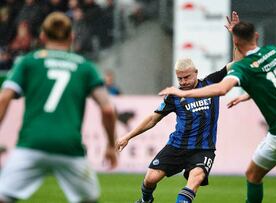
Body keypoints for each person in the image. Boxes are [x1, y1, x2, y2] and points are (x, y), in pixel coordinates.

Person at [159, 11, 276, 203]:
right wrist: (248, 95)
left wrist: (182, 93)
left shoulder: (243, 68)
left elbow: (221, 89)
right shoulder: (273, 52)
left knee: (253, 175)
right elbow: (271, 82)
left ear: (236, 42)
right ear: (257, 36)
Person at [0, 12, 117, 203]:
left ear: (43, 37)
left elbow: (4, 98)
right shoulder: (84, 67)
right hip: (69, 147)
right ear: (71, 37)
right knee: (89, 199)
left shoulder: (29, 62)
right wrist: (111, 146)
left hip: (31, 143)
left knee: (3, 196)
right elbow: (108, 109)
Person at [116, 57, 233, 203]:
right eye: (180, 79)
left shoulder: (210, 83)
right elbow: (153, 119)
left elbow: (235, 64)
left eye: (187, 77)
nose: (183, 82)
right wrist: (127, 136)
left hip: (203, 149)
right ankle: (146, 200)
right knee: (150, 179)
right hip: (177, 146)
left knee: (195, 180)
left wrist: (237, 39)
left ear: (196, 72)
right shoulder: (174, 97)